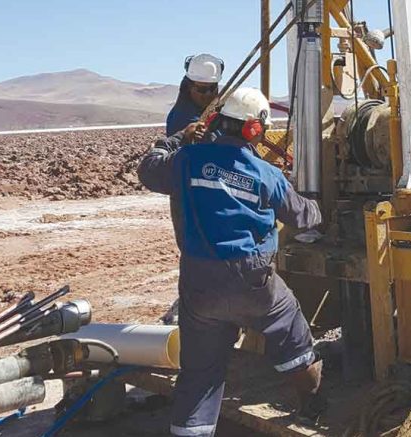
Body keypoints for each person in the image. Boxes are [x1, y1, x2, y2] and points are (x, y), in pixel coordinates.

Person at [138, 87, 325, 437]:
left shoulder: (187, 161)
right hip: (253, 280)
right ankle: (312, 403)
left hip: (200, 283)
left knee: (201, 372)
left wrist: (176, 139)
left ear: (215, 122)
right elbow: (303, 217)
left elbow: (148, 170)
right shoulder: (266, 174)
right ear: (255, 130)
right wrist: (317, 202)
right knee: (291, 330)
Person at [166, 53, 224, 143]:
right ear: (189, 87)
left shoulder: (200, 107)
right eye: (202, 89)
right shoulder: (185, 119)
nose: (208, 94)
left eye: (212, 88)